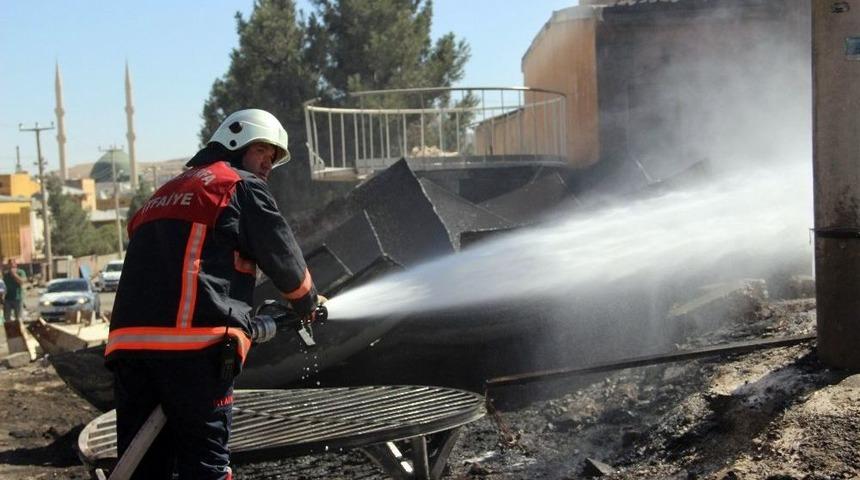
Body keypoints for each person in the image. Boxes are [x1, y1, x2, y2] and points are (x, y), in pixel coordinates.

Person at [105, 109, 321, 479]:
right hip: (195, 353)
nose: (266, 167)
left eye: (272, 161)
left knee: (142, 468)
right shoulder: (237, 185)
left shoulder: (162, 194)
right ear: (235, 144)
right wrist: (308, 303)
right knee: (205, 468)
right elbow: (286, 263)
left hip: (128, 351)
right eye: (262, 154)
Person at [2, 258, 27, 323]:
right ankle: (9, 332)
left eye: (12, 265)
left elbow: (22, 282)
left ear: (15, 265)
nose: (10, 266)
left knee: (18, 319)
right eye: (9, 265)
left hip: (17, 298)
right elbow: (3, 286)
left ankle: (19, 331)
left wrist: (14, 275)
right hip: (8, 299)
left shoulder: (21, 272)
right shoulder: (6, 274)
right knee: (7, 318)